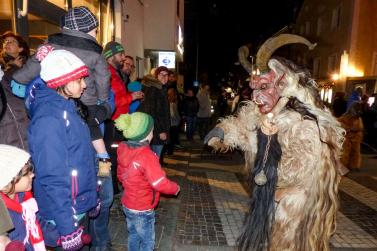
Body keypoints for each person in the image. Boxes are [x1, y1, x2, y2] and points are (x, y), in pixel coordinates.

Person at [205, 34, 344, 251]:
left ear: (284, 86)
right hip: (270, 197)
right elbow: (245, 127)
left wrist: (275, 183)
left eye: (264, 88)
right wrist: (223, 131)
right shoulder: (261, 114)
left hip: (294, 201)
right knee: (268, 239)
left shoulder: (305, 125)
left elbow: (301, 168)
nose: (256, 96)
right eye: (255, 89)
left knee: (289, 243)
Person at [12, 6, 112, 180]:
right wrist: (103, 101)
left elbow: (31, 68)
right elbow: (104, 78)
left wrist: (19, 83)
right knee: (91, 133)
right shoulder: (95, 52)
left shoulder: (48, 46)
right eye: (95, 30)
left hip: (54, 101)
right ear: (86, 30)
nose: (96, 34)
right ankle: (101, 160)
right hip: (86, 102)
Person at [27, 49, 97, 251]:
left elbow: (80, 159)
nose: (84, 85)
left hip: (77, 206)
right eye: (79, 80)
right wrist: (67, 227)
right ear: (61, 81)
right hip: (64, 215)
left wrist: (90, 196)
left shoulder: (68, 108)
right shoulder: (49, 119)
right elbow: (52, 176)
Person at [114, 112, 180, 251]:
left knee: (133, 234)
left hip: (128, 203)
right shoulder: (147, 156)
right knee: (147, 241)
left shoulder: (123, 148)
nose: (153, 132)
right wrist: (174, 188)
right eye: (151, 130)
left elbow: (120, 174)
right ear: (144, 134)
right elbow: (159, 183)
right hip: (142, 207)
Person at [0, 144, 45, 251]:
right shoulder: (3, 214)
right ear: (7, 182)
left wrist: (59, 237)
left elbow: (37, 222)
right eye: (27, 173)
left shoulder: (25, 199)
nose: (32, 175)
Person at [138, 66, 170, 158]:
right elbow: (152, 111)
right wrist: (160, 131)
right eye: (161, 74)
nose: (164, 77)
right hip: (156, 132)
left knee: (152, 159)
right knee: (154, 160)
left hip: (155, 131)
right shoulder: (155, 89)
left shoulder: (161, 88)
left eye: (166, 75)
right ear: (156, 76)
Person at [338, 102, 364, 171]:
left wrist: (357, 131)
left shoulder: (358, 118)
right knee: (345, 152)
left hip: (356, 137)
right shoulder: (345, 117)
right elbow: (339, 124)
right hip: (347, 137)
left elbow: (360, 128)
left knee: (355, 151)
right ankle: (343, 166)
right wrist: (347, 129)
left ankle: (354, 165)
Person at [166, 88, 181, 155]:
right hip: (173, 124)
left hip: (169, 124)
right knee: (172, 138)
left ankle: (169, 151)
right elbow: (173, 115)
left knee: (169, 138)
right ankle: (170, 151)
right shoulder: (172, 104)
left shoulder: (167, 102)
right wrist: (178, 120)